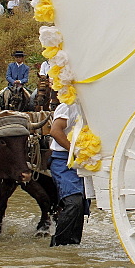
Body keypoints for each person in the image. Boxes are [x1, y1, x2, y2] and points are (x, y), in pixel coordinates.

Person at [49, 101, 88, 245]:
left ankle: (73, 245)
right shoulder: (67, 106)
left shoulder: (93, 106)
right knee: (74, 202)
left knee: (81, 205)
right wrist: (74, 151)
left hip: (83, 162)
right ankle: (58, 245)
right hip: (63, 160)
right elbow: (55, 131)